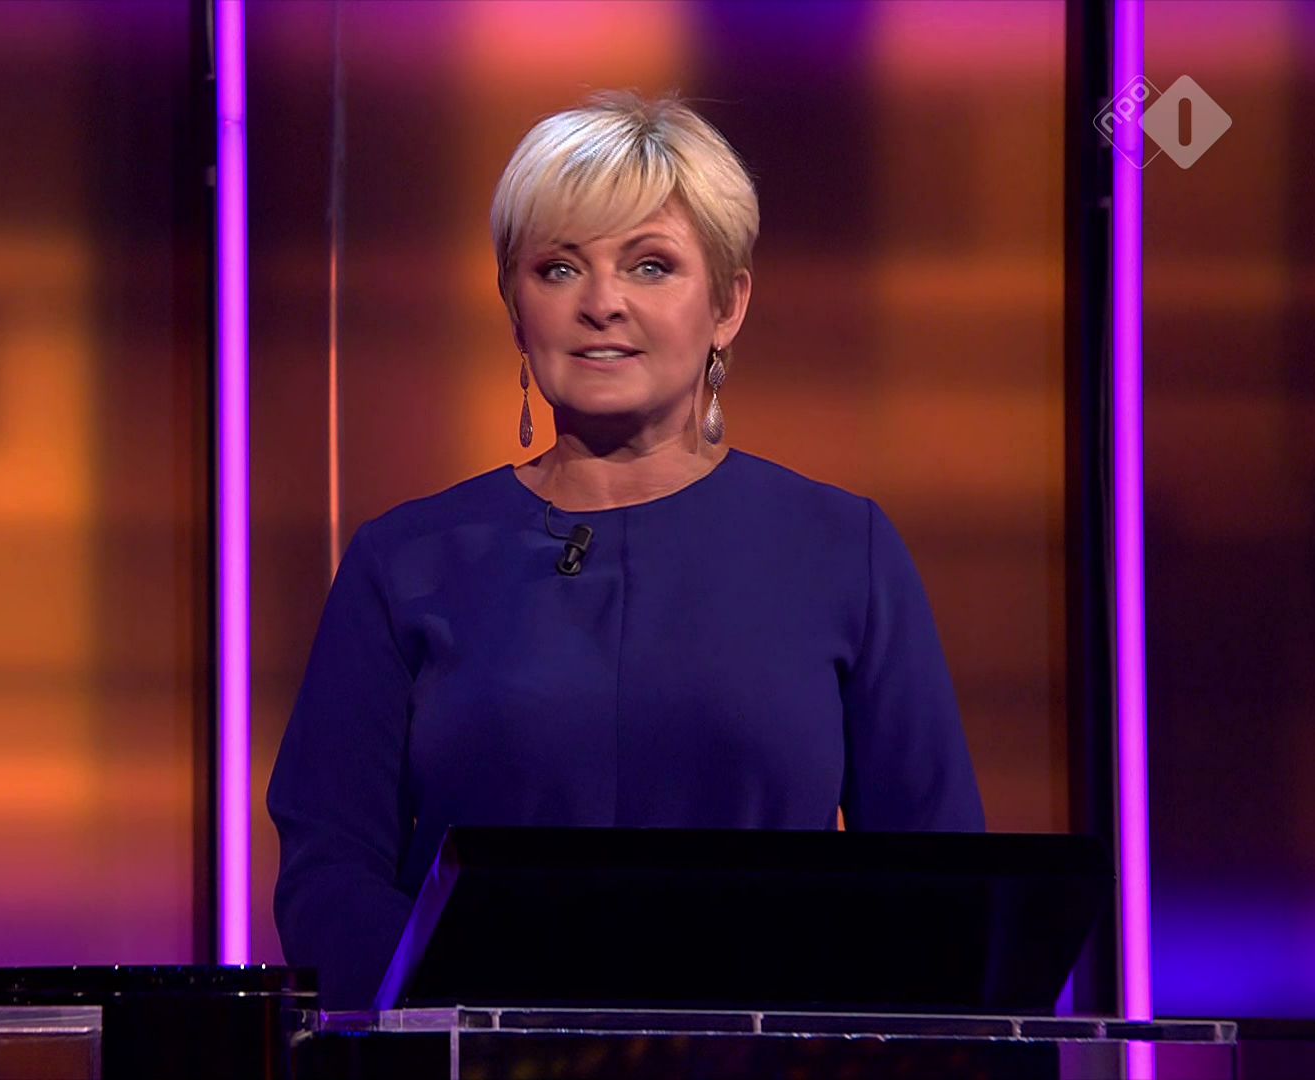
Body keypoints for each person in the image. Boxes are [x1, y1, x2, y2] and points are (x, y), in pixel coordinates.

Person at [267, 91, 984, 1010]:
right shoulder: (403, 562)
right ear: (515, 308)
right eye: (559, 268)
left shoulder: (845, 551)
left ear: (728, 304)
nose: (601, 304)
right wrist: (461, 1018)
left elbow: (939, 886)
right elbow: (331, 870)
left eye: (651, 266)